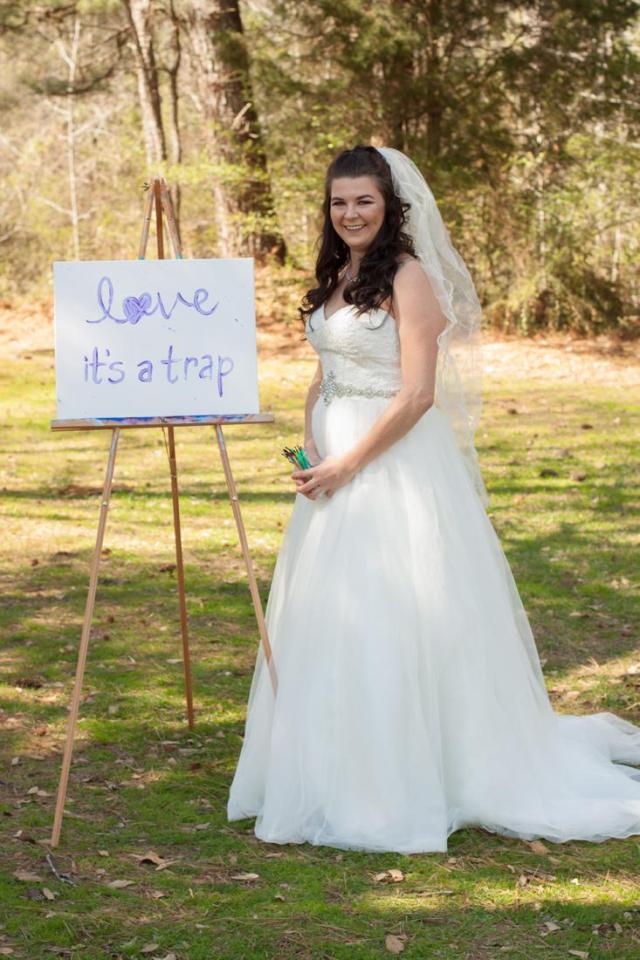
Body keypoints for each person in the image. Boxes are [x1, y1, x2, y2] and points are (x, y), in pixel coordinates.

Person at [227, 144, 640, 853]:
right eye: (339, 202)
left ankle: (401, 777)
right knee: (330, 617)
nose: (350, 213)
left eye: (363, 200)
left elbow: (417, 393)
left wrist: (350, 463)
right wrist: (308, 453)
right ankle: (328, 768)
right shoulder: (337, 275)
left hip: (390, 468)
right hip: (332, 470)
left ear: (388, 205)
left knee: (396, 614)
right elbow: (325, 373)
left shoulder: (408, 277)